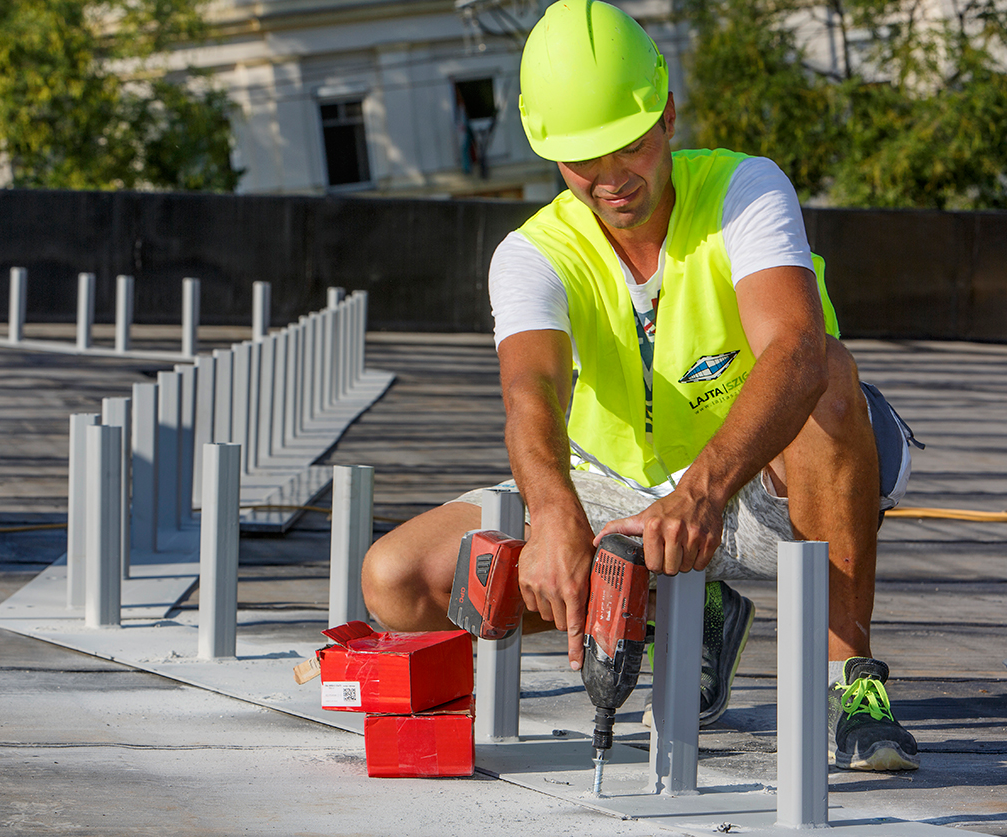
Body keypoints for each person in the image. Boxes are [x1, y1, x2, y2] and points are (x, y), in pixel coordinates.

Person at [362, 0, 923, 772]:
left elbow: (794, 350)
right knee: (396, 579)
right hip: (626, 497)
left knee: (826, 377)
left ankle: (845, 673)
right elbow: (531, 393)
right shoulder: (533, 253)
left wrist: (701, 491)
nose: (609, 178)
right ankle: (688, 613)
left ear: (665, 113)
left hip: (773, 479)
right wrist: (555, 513)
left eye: (625, 147)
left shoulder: (743, 190)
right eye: (581, 160)